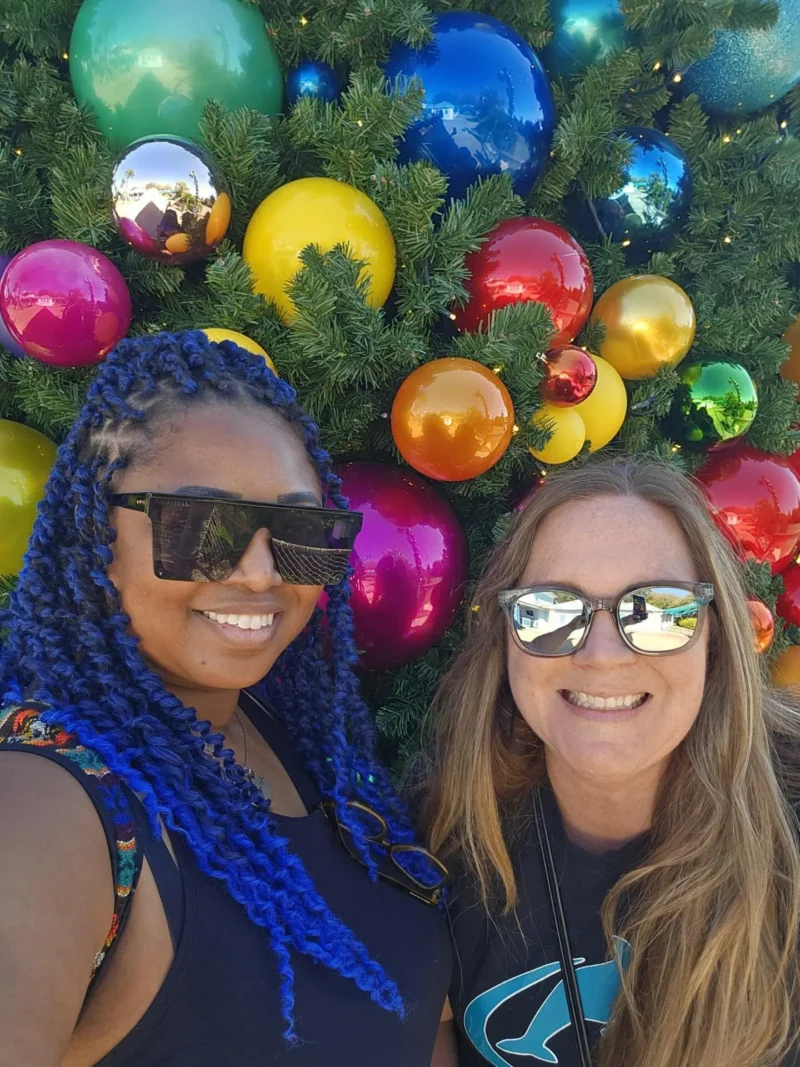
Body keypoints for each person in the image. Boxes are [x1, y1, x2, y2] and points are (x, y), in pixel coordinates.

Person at [0, 331, 451, 1067]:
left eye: (299, 529)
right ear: (95, 534)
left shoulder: (290, 737)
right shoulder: (44, 805)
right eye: (201, 524)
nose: (260, 572)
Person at [423, 457, 800, 1067]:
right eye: (551, 608)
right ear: (506, 636)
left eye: (660, 609)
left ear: (715, 638)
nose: (603, 655)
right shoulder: (435, 836)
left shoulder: (790, 833)